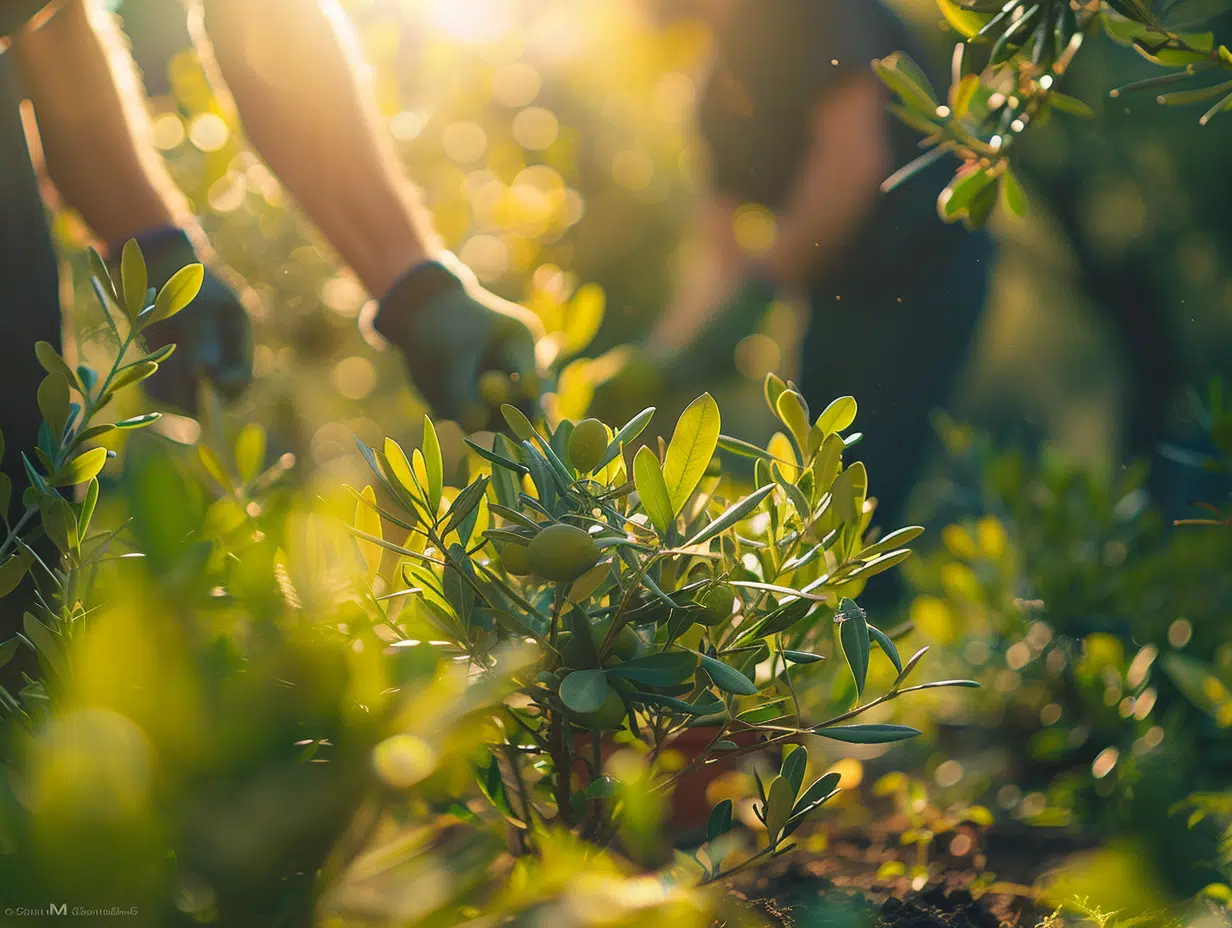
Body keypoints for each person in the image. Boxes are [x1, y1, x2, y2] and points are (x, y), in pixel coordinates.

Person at [604, 0, 996, 561]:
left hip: (925, 273)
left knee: (869, 488)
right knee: (820, 480)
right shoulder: (716, 98)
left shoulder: (815, 13)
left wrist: (764, 285)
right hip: (840, 294)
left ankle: (867, 622)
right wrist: (663, 355)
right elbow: (718, 256)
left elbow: (853, 158)